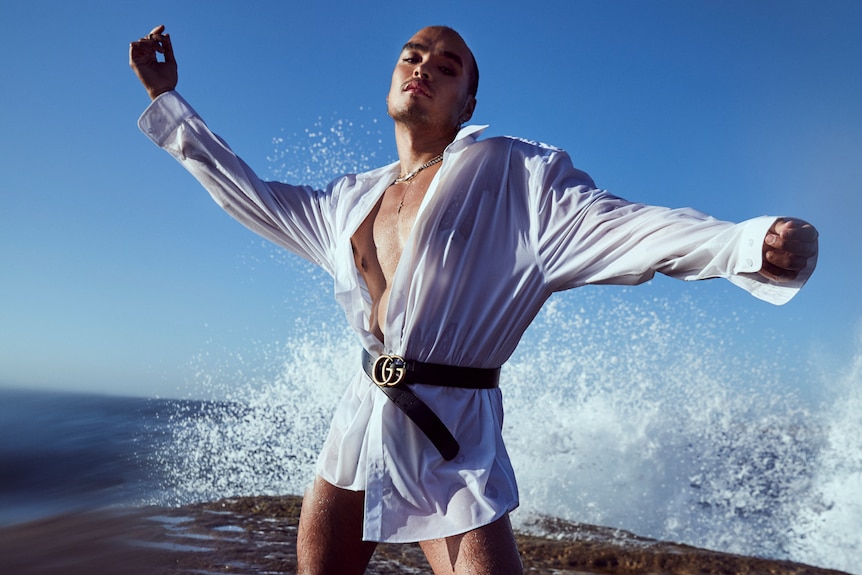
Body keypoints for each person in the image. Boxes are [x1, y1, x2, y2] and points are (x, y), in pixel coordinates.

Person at [130, 24, 818, 575]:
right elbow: (248, 194)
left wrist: (750, 243)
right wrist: (169, 102)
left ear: (468, 105)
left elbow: (629, 226)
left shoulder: (517, 177)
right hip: (361, 417)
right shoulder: (346, 202)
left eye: (448, 65)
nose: (423, 65)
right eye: (412, 54)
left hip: (454, 435)